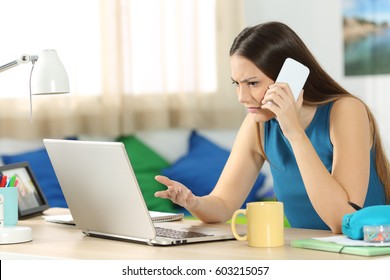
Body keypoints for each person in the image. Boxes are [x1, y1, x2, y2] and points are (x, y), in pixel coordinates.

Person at [154, 21, 390, 233]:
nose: (242, 97)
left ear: (290, 79)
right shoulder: (258, 124)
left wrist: (295, 133)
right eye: (236, 83)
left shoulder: (346, 111)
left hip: (364, 253)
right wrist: (193, 202)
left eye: (253, 83)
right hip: (307, 253)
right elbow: (224, 205)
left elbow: (342, 221)